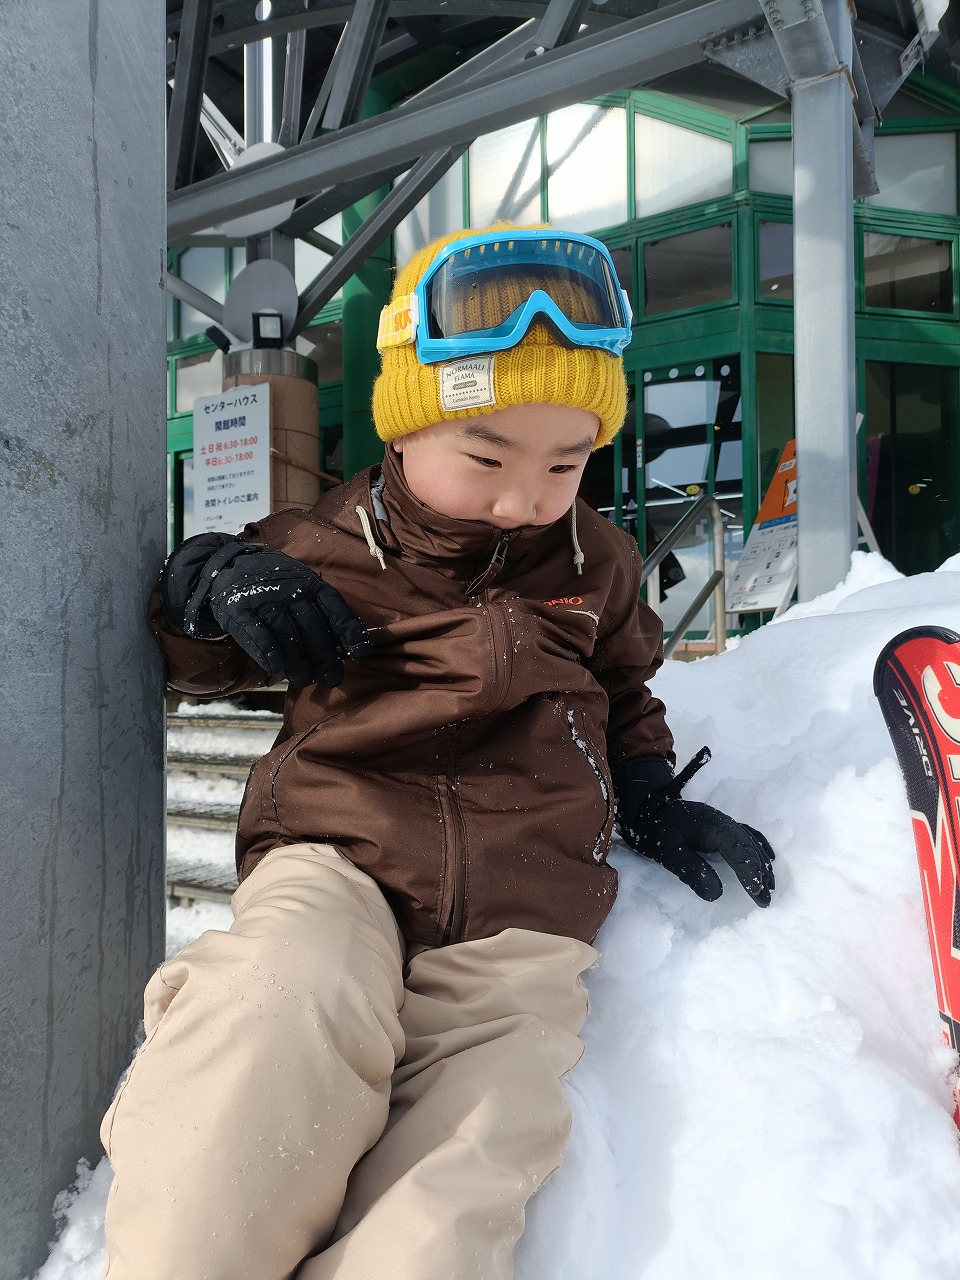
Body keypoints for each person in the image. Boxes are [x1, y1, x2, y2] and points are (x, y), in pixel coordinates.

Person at [100, 224, 775, 1280]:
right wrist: (212, 582)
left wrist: (648, 786)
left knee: (468, 1159)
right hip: (341, 855)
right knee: (279, 1003)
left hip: (523, 909)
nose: (525, 495)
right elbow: (193, 653)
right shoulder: (323, 544)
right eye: (488, 456)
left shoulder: (596, 559)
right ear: (404, 430)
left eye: (566, 461)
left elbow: (624, 683)